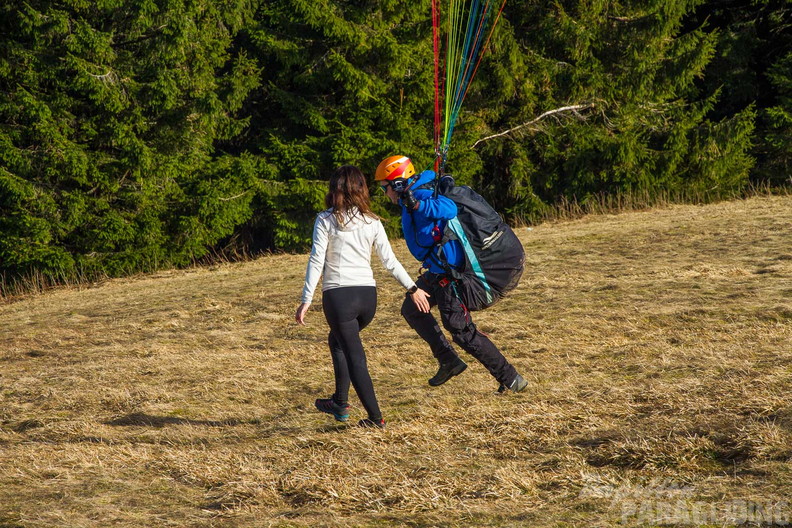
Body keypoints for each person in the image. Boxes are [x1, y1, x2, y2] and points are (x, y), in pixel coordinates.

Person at [375, 155, 529, 393]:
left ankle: (511, 379)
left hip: (450, 275)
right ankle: (448, 360)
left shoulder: (421, 196)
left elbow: (449, 208)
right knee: (412, 308)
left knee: (460, 329)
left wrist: (418, 205)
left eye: (384, 187)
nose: (384, 193)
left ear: (397, 183)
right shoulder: (410, 198)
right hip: (436, 271)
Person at [296, 165, 430, 429]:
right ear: (361, 189)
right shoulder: (373, 220)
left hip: (339, 299)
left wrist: (306, 299)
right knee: (337, 341)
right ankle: (339, 402)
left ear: (334, 189)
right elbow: (390, 261)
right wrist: (412, 288)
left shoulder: (325, 219)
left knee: (354, 356)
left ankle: (375, 418)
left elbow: (316, 259)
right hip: (368, 298)